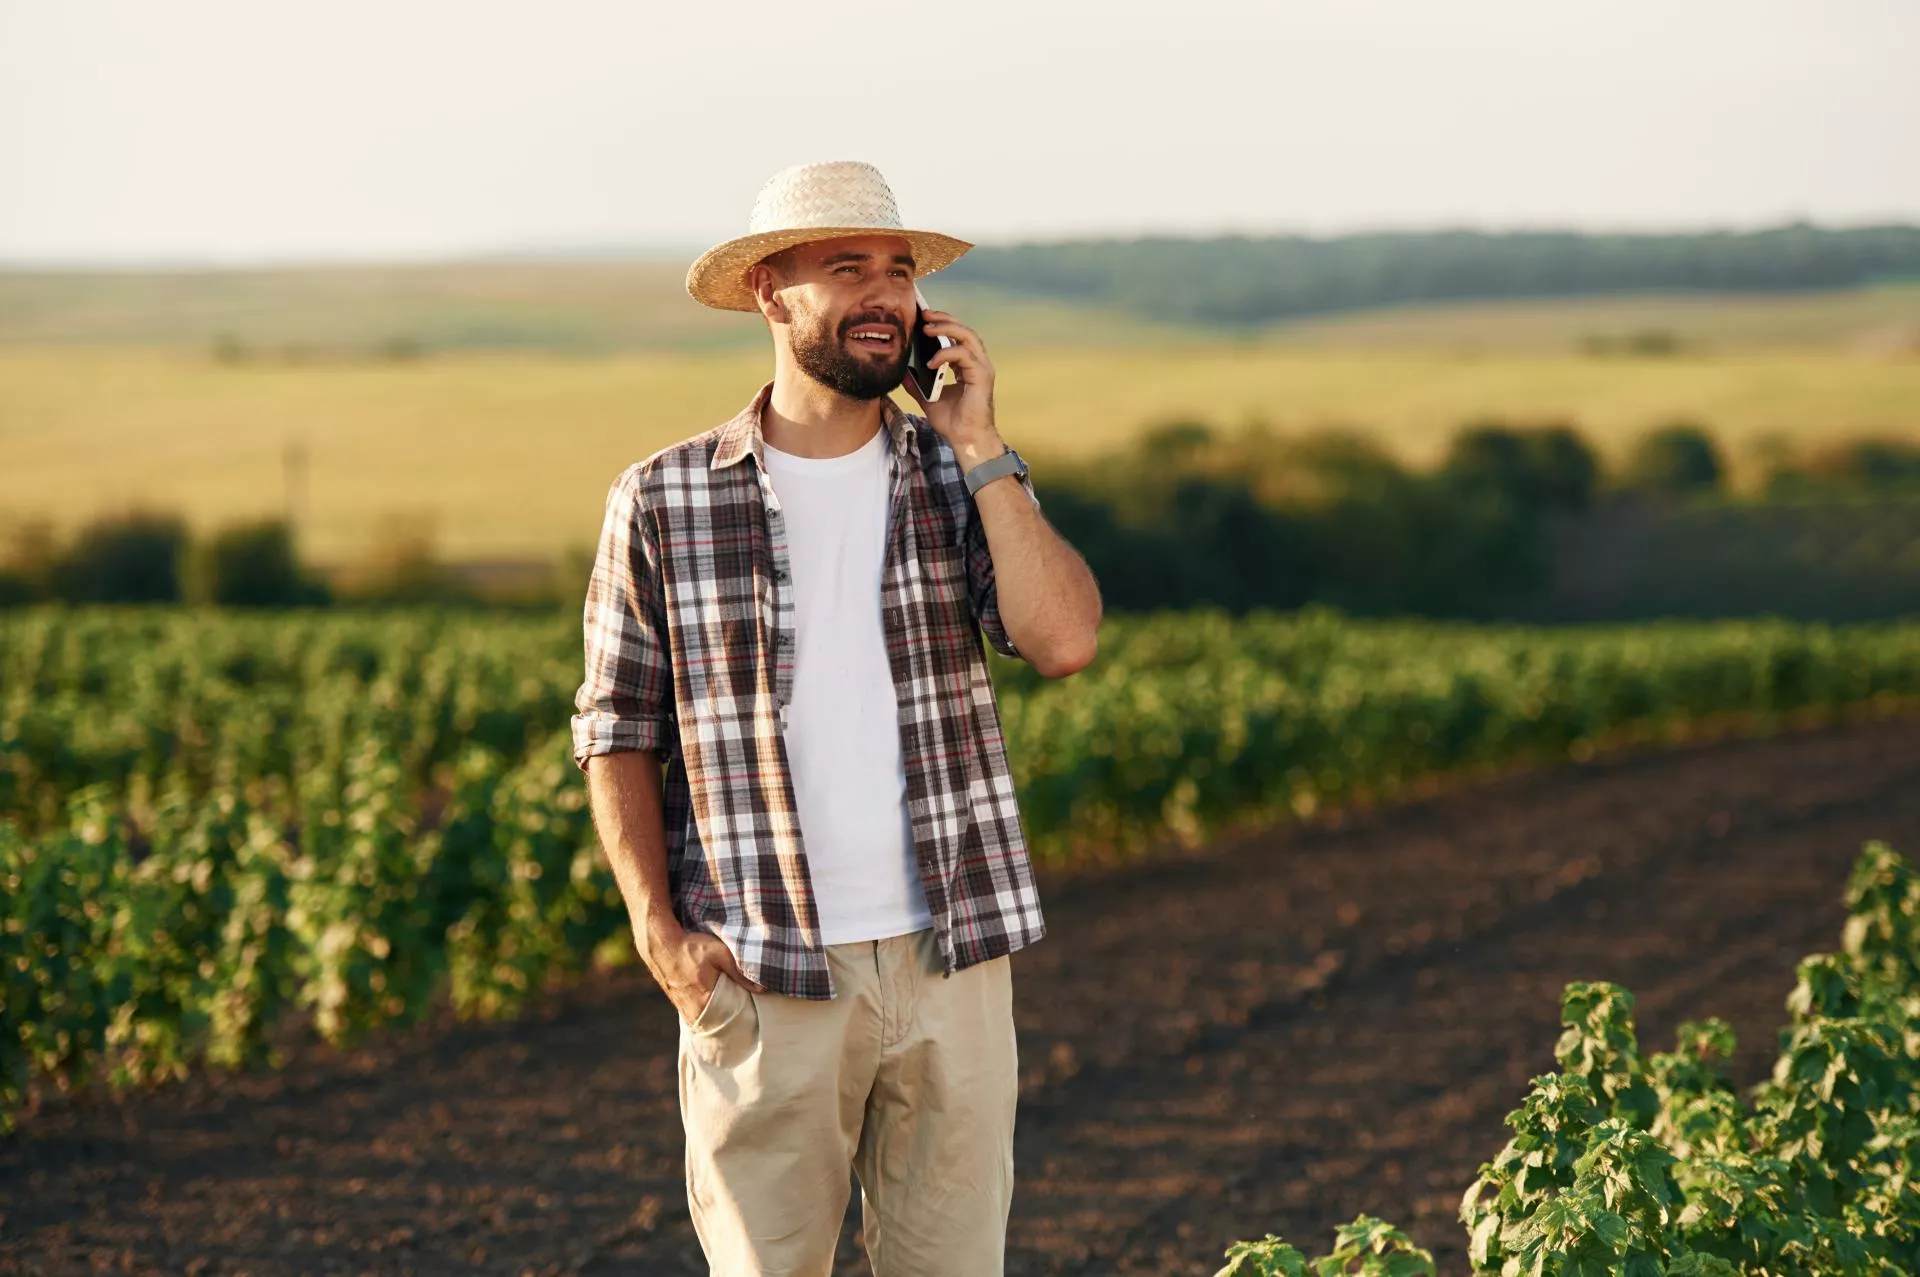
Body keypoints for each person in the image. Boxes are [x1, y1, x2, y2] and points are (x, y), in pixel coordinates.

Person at [570, 159, 1104, 1275]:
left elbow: (1062, 640)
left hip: (950, 955)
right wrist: (657, 932)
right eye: (846, 266)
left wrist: (980, 443)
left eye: (899, 271)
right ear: (771, 292)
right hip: (763, 968)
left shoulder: (963, 479)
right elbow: (617, 725)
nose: (884, 294)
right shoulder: (664, 497)